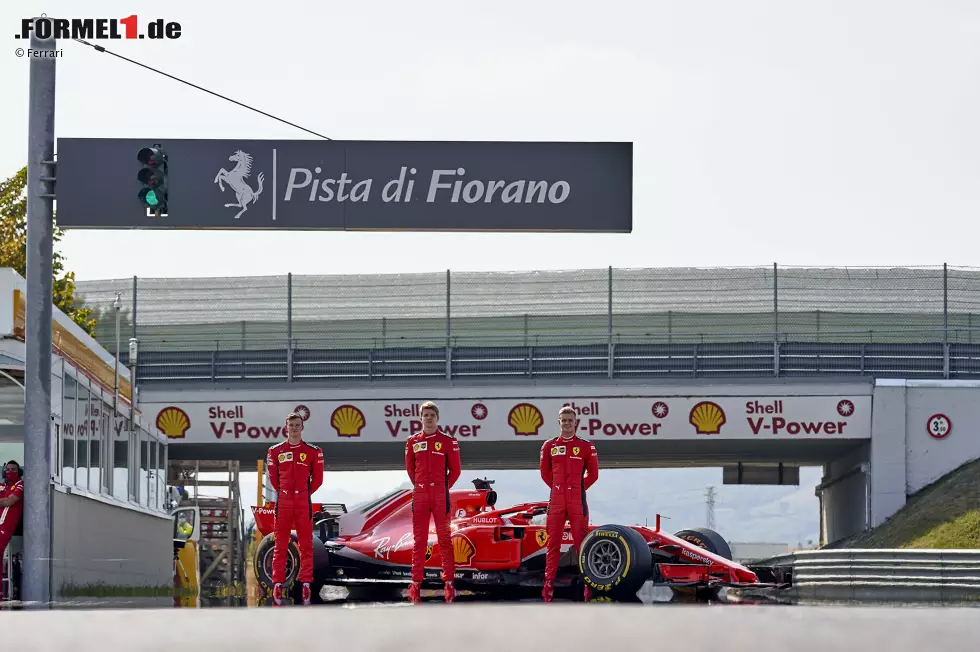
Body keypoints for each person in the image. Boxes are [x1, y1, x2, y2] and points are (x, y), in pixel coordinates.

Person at [539, 406, 599, 602]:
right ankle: (548, 585)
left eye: (570, 420)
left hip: (577, 501)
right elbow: (545, 473)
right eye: (563, 420)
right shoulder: (548, 446)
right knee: (552, 544)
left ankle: (587, 587)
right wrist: (558, 488)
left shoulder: (586, 446)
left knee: (581, 544)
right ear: (559, 422)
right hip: (556, 500)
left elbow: (594, 474)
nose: (566, 423)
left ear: (576, 423)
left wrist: (578, 489)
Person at [405, 401, 461, 604]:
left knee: (445, 539)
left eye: (432, 415)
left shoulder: (447, 441)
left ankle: (449, 583)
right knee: (418, 541)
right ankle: (415, 584)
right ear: (420, 418)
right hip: (420, 494)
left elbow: (455, 470)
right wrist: (420, 485)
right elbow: (410, 469)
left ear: (437, 418)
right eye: (425, 415)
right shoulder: (412, 441)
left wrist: (443, 487)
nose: (428, 418)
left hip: (440, 494)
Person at [266, 412, 324, 605]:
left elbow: (317, 480)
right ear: (286, 427)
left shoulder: (313, 451)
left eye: (297, 425)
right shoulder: (275, 451)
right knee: (280, 544)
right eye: (291, 425)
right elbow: (274, 479)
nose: (294, 428)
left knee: (306, 544)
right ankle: (277, 583)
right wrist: (284, 492)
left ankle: (306, 582)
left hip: (303, 502)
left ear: (302, 427)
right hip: (283, 502)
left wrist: (304, 493)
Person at [0, 461, 24, 564]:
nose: (10, 472)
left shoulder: (20, 485)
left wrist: (4, 501)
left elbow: (9, 501)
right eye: (8, 470)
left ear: (19, 472)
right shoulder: (2, 486)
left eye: (13, 470)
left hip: (6, 527)